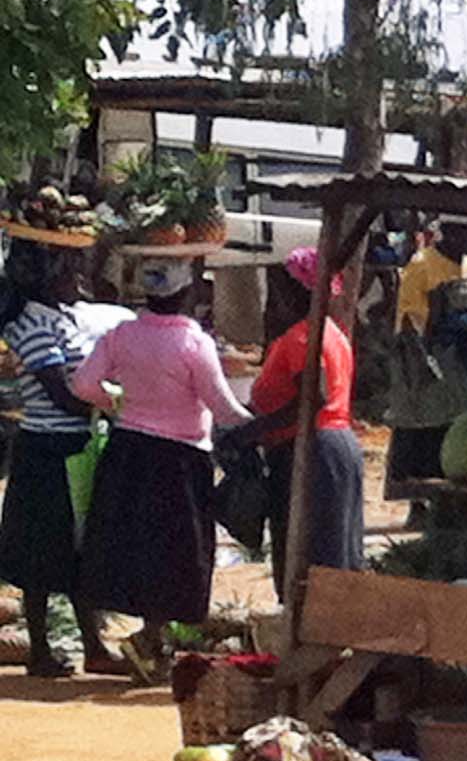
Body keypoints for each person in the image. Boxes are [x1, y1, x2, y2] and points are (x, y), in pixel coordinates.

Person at [73, 259, 252, 644]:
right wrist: (258, 424)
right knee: (173, 550)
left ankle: (148, 634)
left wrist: (114, 403)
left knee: (133, 543)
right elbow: (222, 407)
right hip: (179, 461)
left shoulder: (122, 335)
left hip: (128, 453)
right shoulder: (194, 343)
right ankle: (154, 635)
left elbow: (84, 383)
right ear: (187, 294)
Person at [0, 246, 115, 674]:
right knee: (42, 552)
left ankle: (93, 647)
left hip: (75, 445)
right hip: (47, 451)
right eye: (68, 271)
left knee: (81, 548)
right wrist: (112, 411)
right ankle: (40, 650)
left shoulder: (62, 318)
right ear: (46, 280)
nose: (78, 279)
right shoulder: (31, 324)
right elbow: (60, 395)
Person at [236, 246, 364, 601]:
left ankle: (310, 624)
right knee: (334, 546)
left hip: (311, 451)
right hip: (333, 446)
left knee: (309, 550)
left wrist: (253, 431)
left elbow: (316, 396)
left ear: (294, 290)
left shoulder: (304, 338)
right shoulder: (332, 333)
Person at [385, 219, 467, 489]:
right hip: (430, 365)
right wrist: (443, 329)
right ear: (450, 232)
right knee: (424, 435)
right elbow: (411, 327)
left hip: (463, 365)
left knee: (456, 439)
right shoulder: (422, 265)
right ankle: (417, 497)